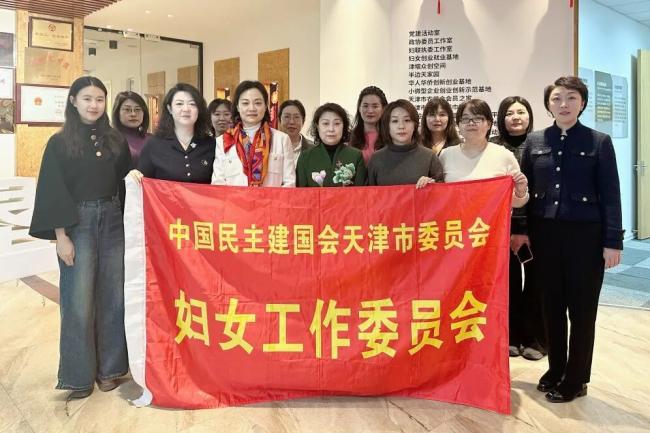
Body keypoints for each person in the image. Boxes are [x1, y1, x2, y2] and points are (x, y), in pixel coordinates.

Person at [515, 76, 623, 403]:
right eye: (557, 98)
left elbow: (611, 196)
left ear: (582, 103)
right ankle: (555, 369)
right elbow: (522, 192)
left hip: (586, 238)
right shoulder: (534, 142)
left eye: (571, 97)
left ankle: (576, 378)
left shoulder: (599, 142)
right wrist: (521, 230)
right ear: (548, 104)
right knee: (551, 307)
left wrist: (613, 241)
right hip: (545, 236)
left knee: (582, 310)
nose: (564, 104)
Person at [29, 76, 132, 400]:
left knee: (113, 298)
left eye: (99, 99)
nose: (94, 105)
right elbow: (52, 190)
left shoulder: (115, 140)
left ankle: (111, 369)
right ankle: (77, 375)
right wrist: (61, 237)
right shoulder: (59, 143)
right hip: (78, 223)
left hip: (113, 220)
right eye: (87, 98)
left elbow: (127, 183)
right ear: (73, 101)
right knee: (77, 300)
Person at [491, 96, 546, 361]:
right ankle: (510, 336)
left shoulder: (540, 145)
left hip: (535, 225)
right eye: (509, 113)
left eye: (521, 112)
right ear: (500, 119)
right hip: (500, 226)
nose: (515, 117)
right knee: (508, 283)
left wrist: (523, 226)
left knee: (536, 282)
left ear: (529, 116)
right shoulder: (493, 147)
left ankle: (534, 337)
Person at [439, 99, 528, 207]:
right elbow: (438, 196)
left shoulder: (504, 155)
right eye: (465, 119)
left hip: (491, 218)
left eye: (477, 118)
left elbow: (515, 203)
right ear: (458, 125)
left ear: (489, 124)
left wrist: (520, 192)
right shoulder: (446, 155)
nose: (471, 123)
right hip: (455, 217)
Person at [211, 80, 295, 187]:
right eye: (245, 103)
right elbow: (218, 183)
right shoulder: (224, 141)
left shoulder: (281, 139)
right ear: (237, 107)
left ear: (265, 107)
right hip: (235, 198)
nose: (252, 108)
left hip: (272, 198)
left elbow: (289, 183)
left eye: (258, 103)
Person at [130, 83, 214, 184]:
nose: (186, 109)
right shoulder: (153, 145)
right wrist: (135, 176)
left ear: (199, 109)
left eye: (192, 104)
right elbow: (143, 182)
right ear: (170, 109)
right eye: (179, 104)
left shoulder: (211, 144)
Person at [368, 99, 443, 187]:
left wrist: (432, 184)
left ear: (415, 124)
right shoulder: (376, 159)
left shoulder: (429, 157)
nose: (401, 126)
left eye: (407, 120)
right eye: (395, 121)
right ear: (387, 126)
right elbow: (368, 193)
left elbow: (443, 192)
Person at [296, 102, 366, 187]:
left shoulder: (356, 156)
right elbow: (300, 193)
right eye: (325, 123)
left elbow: (362, 193)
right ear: (317, 126)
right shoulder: (305, 157)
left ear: (344, 126)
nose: (331, 129)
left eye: (337, 124)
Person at [349, 86, 388, 164]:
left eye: (375, 106)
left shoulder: (390, 136)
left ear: (383, 108)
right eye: (365, 106)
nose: (370, 111)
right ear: (359, 108)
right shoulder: (349, 137)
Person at [112, 91, 150, 167]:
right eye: (127, 109)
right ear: (117, 113)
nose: (133, 114)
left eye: (137, 109)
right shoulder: (109, 140)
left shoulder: (152, 140)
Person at [279, 99, 314, 166]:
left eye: (296, 117)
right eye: (287, 117)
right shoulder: (271, 146)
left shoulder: (314, 149)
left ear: (303, 121)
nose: (291, 122)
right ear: (279, 120)